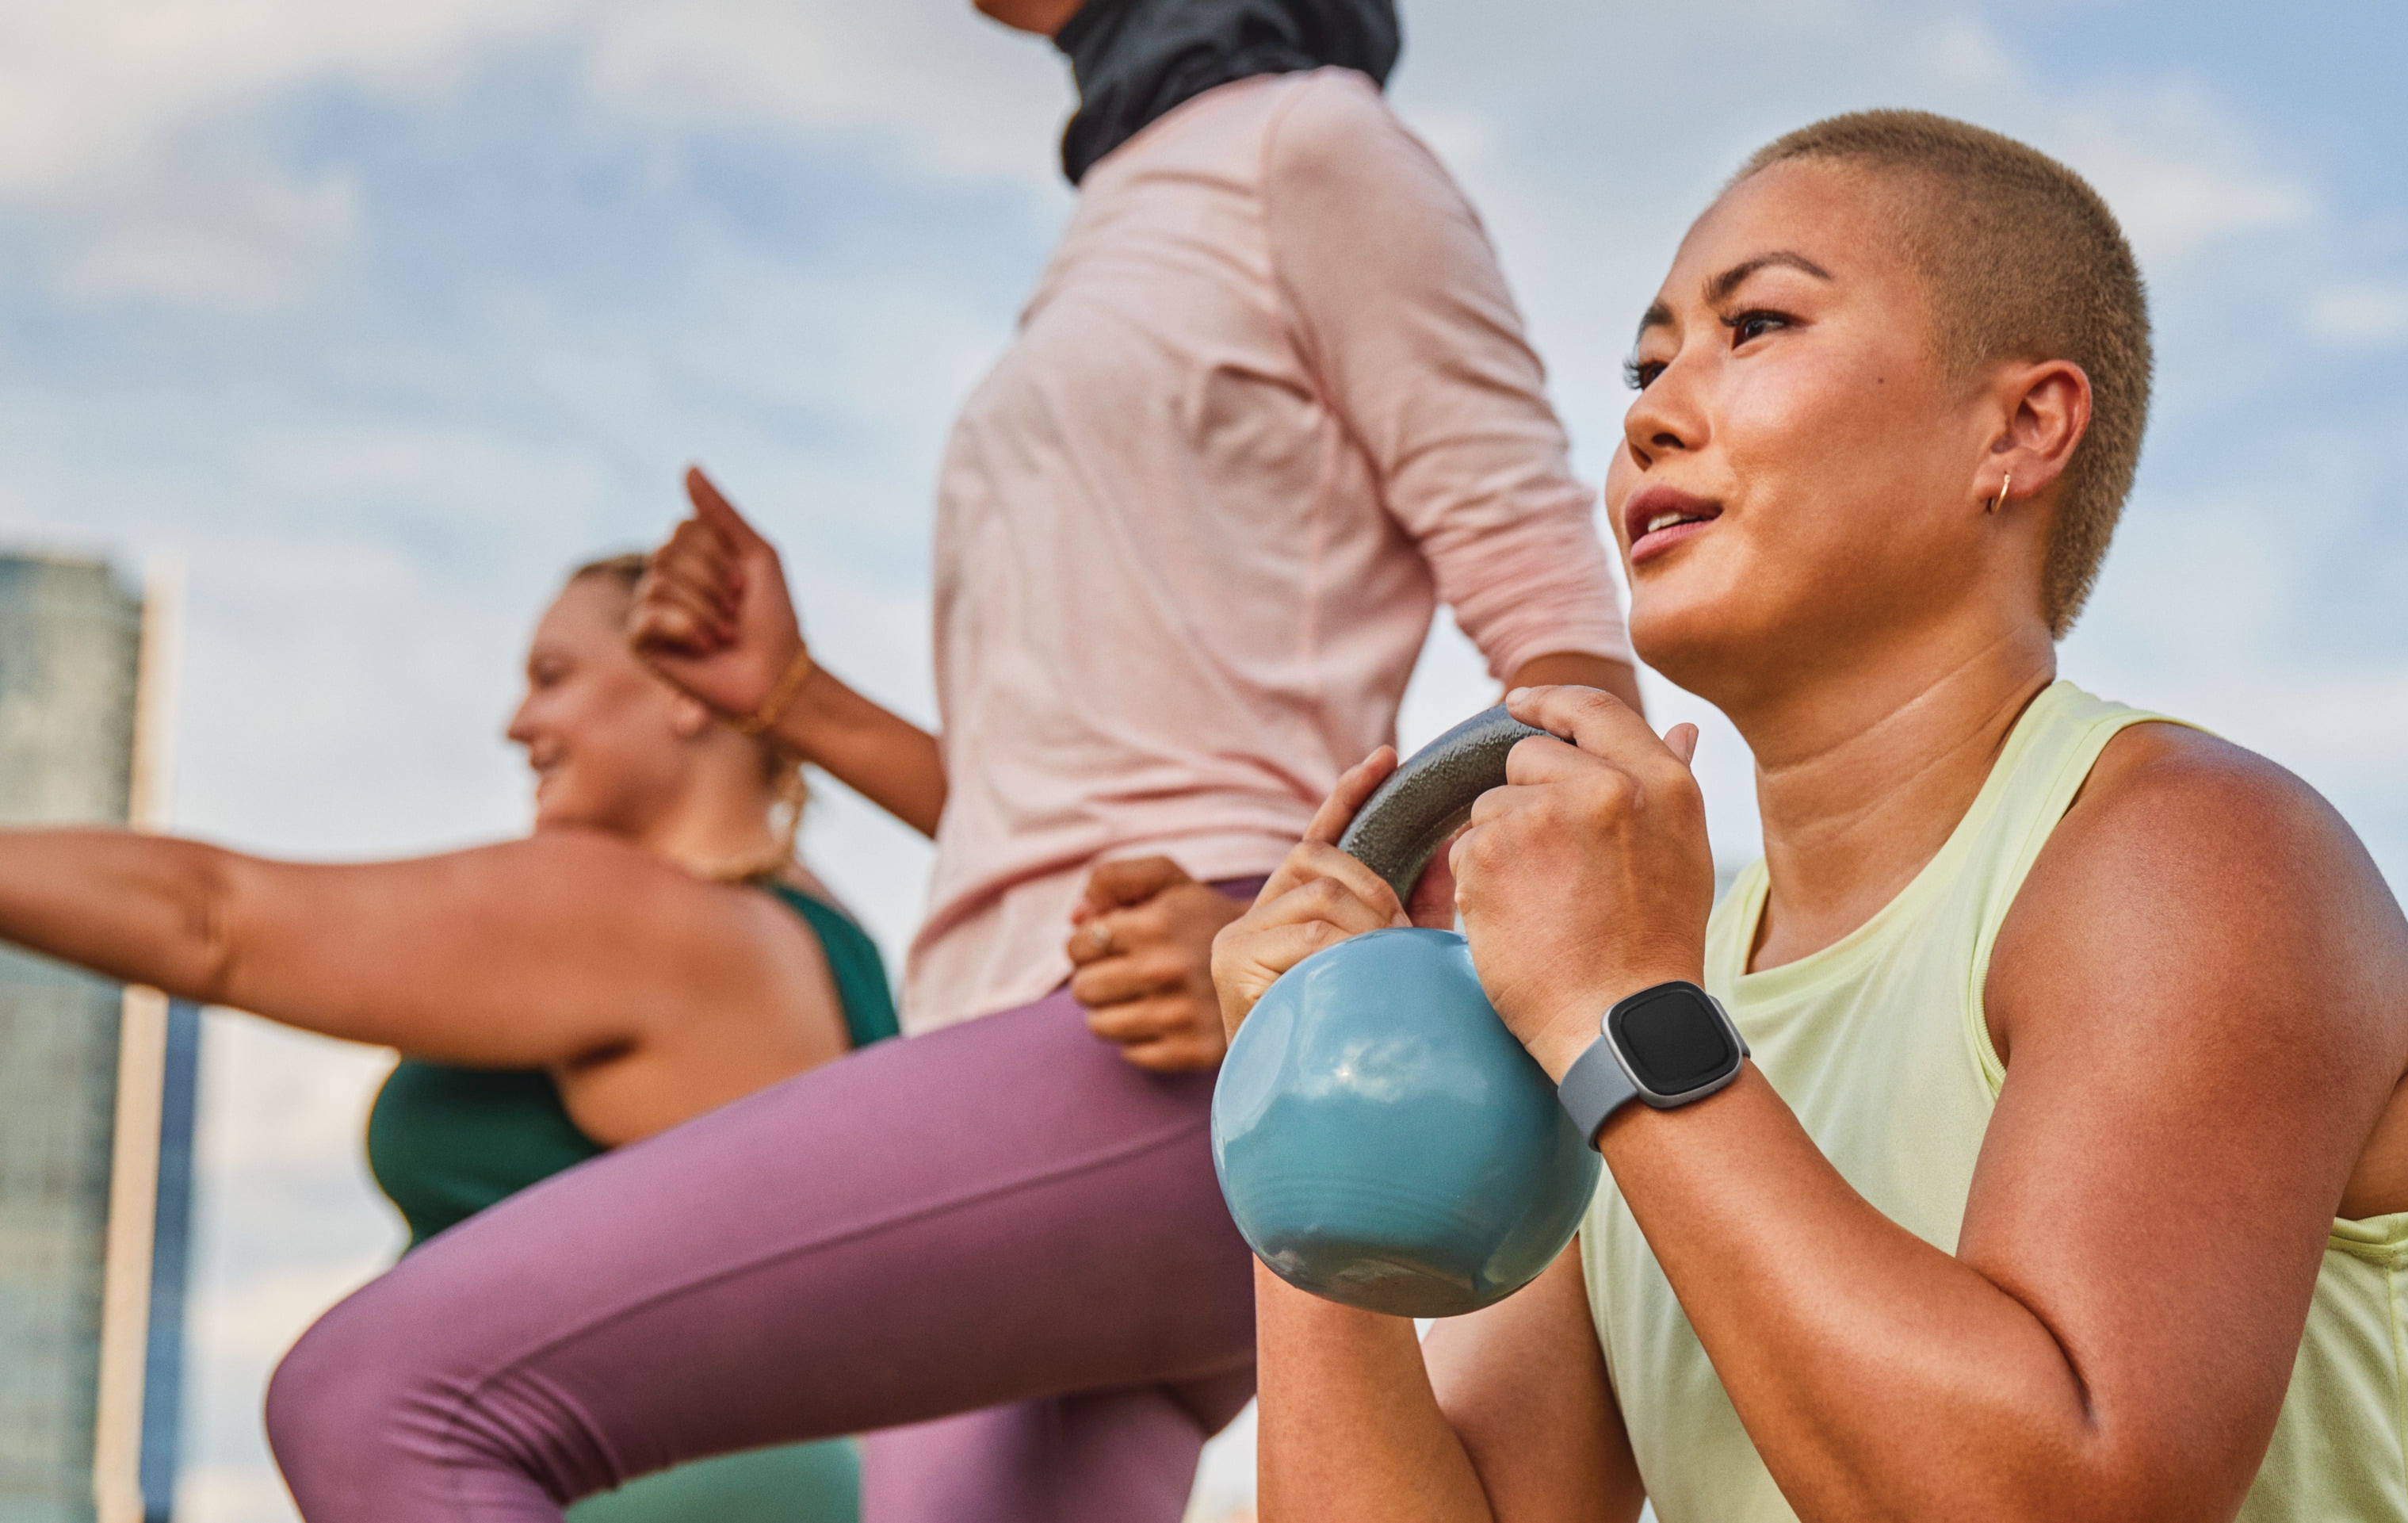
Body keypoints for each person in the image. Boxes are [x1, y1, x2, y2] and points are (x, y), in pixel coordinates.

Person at [259, 0, 1638, 1517]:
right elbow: (1048, 804)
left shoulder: (1308, 144)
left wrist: (1328, 948)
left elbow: (1564, 664)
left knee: (386, 1394)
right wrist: (794, 699)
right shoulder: (1125, 208)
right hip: (1030, 1048)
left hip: (1169, 1050)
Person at [1215, 110, 2408, 1523]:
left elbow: (2062, 1496)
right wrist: (1302, 1130)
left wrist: (1619, 1018)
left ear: (2018, 426)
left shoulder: (2193, 856)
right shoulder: (1630, 977)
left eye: (1756, 325)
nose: (1651, 411)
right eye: (1643, 366)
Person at [0, 553, 902, 1522]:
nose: (517, 724)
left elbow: (214, 922)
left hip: (621, 1482)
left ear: (688, 688)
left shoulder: (629, 914)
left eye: (553, 677)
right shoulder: (830, 946)